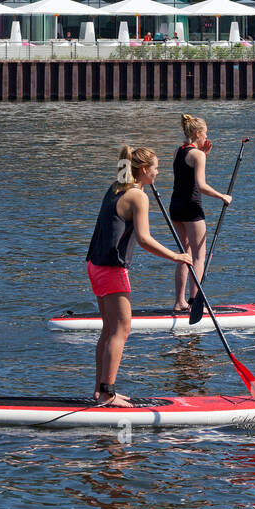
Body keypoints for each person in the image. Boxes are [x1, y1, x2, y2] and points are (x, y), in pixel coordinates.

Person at [86, 144, 191, 406]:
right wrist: (177, 256)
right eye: (156, 168)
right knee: (121, 330)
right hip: (112, 269)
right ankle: (107, 394)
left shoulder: (116, 186)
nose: (158, 173)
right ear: (144, 169)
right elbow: (144, 239)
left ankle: (101, 392)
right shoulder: (137, 196)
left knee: (109, 329)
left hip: (94, 265)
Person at [170, 113, 231, 313]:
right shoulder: (197, 155)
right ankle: (196, 302)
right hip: (191, 208)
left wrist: (204, 157)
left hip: (176, 206)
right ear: (197, 133)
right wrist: (222, 196)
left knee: (183, 255)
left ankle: (179, 302)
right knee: (198, 257)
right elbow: (201, 185)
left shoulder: (178, 151)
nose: (207, 137)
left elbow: (187, 176)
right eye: (205, 133)